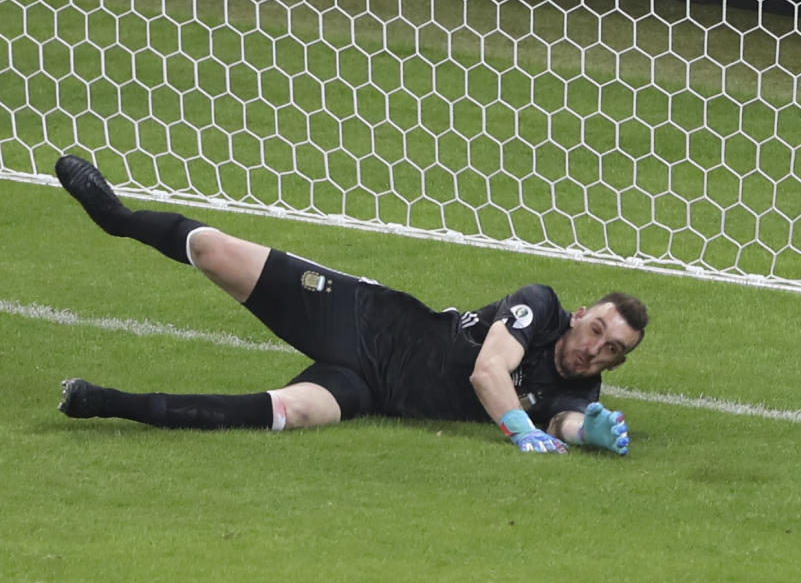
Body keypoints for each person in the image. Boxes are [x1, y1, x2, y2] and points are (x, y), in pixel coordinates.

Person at [53, 155, 648, 456]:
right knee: (211, 251)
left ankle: (102, 403)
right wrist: (520, 429)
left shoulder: (579, 393)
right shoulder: (539, 307)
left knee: (287, 412)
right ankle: (117, 217)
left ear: (615, 363)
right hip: (364, 318)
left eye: (612, 350)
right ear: (579, 316)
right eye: (598, 329)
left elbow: (563, 422)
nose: (597, 348)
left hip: (368, 389)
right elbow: (488, 370)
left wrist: (588, 432)